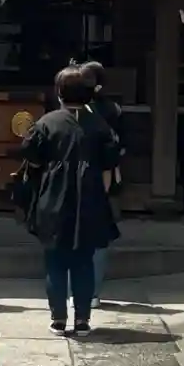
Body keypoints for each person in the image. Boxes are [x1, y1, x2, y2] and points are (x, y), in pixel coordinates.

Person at [19, 66, 121, 336]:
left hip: (53, 196)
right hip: (90, 197)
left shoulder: (47, 123)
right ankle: (83, 320)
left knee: (55, 261)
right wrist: (100, 196)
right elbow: (109, 166)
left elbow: (32, 158)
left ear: (59, 92)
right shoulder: (99, 124)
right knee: (84, 261)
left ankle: (59, 319)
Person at [77, 60, 122, 297]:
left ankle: (81, 290)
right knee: (98, 236)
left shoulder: (74, 112)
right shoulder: (112, 109)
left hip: (81, 175)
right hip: (103, 175)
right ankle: (91, 291)